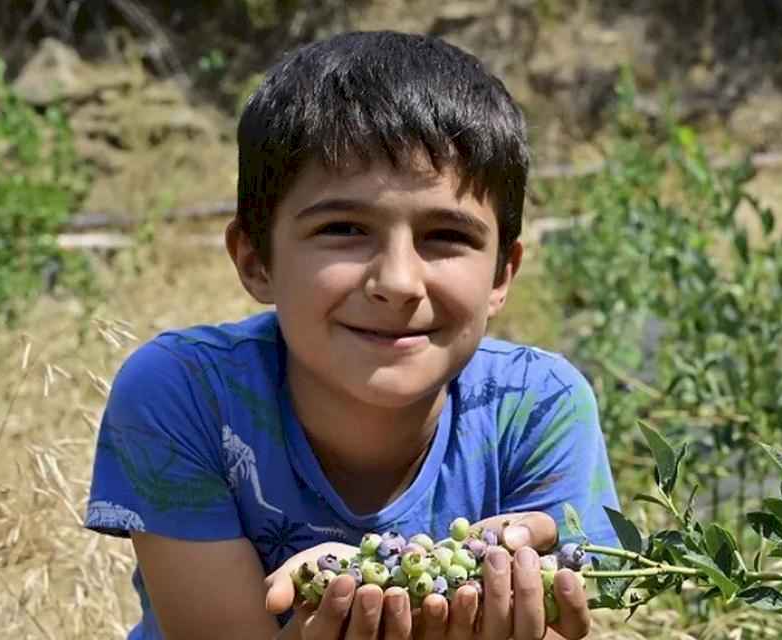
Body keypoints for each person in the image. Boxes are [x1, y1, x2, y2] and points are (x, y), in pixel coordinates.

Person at [83, 30, 621, 640]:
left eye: (446, 236)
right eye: (343, 229)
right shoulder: (183, 394)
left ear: (502, 274)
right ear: (256, 260)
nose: (397, 282)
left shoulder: (540, 404)